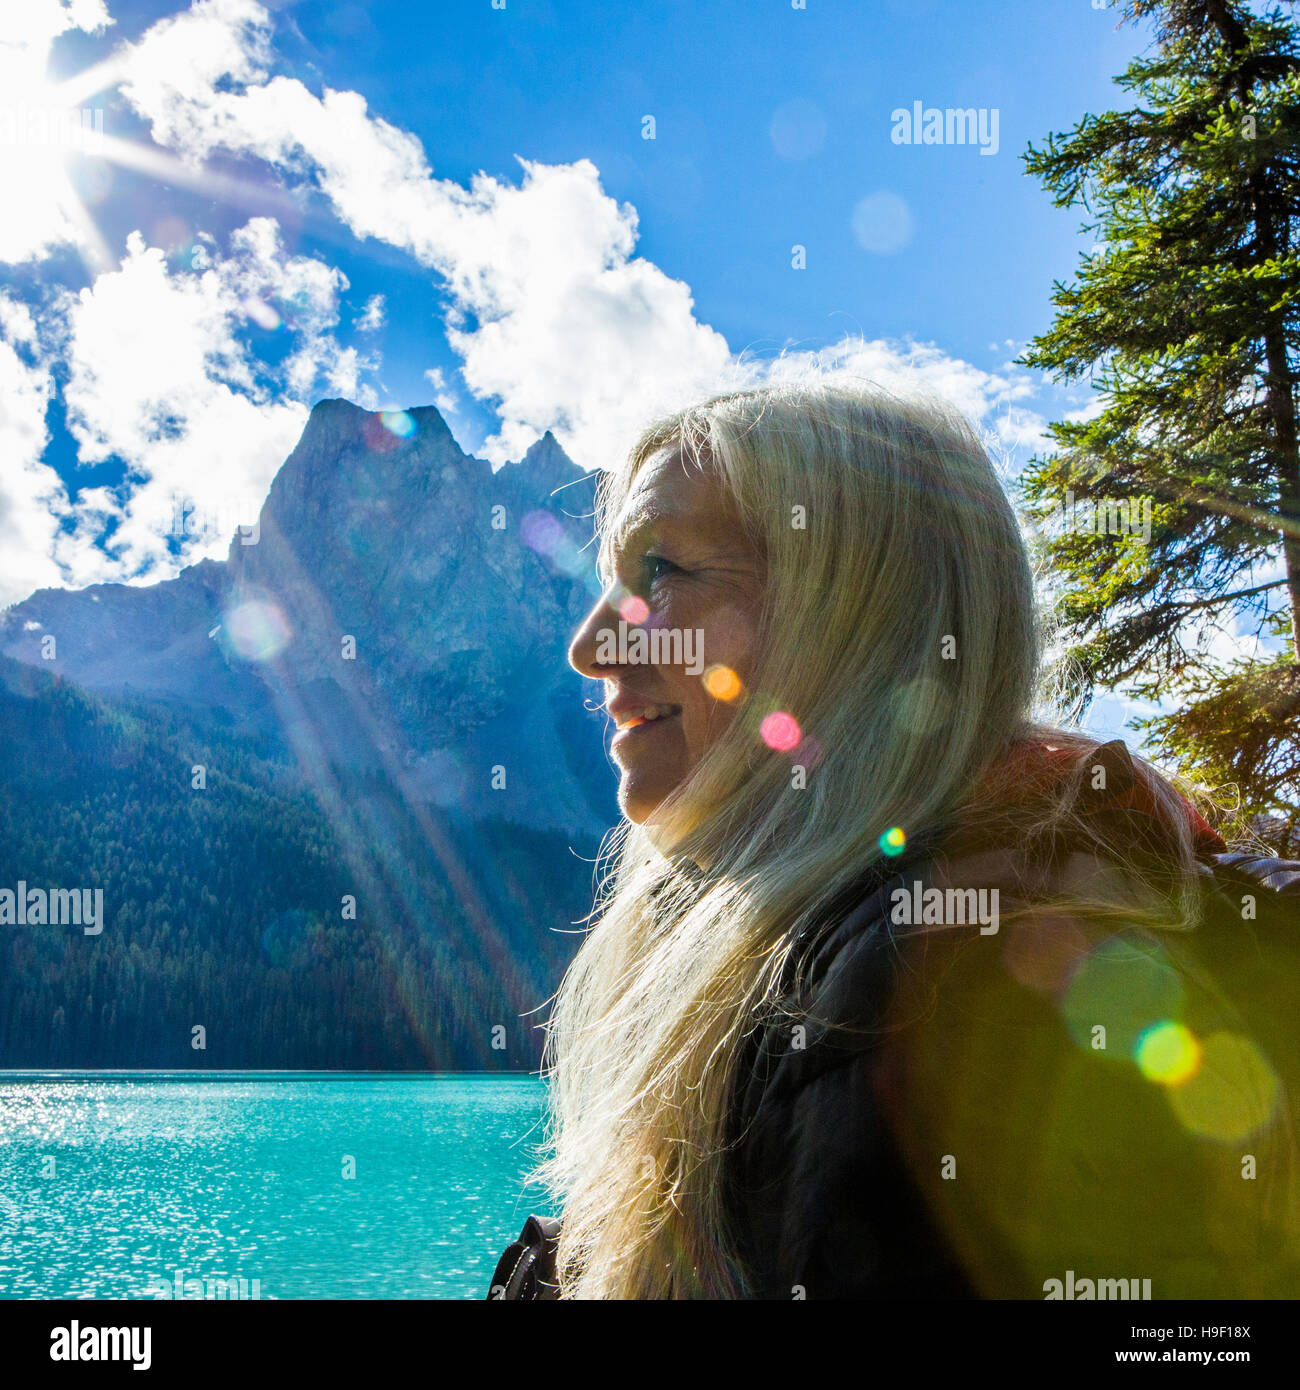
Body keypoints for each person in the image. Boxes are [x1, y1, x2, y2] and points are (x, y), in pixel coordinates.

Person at [511, 380, 1300, 1300]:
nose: (594, 643)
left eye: (665, 574)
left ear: (862, 617)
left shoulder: (947, 994)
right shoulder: (853, 945)